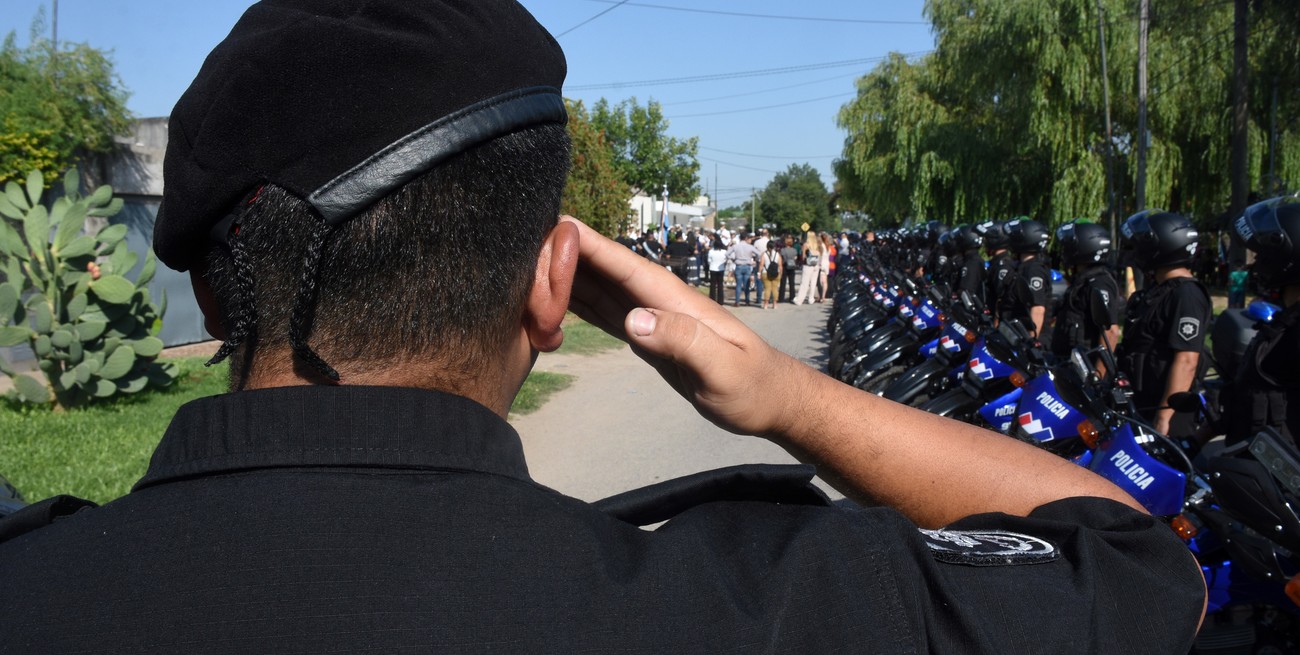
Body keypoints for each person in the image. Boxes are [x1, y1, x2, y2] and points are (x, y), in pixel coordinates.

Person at [0, 2, 1205, 652]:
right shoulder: (763, 602)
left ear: (211, 297)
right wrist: (788, 398)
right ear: (551, 285)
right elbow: (1136, 561)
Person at [1115, 210, 1213, 437]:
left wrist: (1164, 416)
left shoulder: (1187, 294)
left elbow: (1187, 359)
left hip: (1165, 412)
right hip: (1143, 402)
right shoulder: (1159, 289)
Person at [1226, 196, 1300, 448]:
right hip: (1252, 464)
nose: (1255, 263)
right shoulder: (1285, 319)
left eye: (1262, 255)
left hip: (1282, 478)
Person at [1050, 221, 1123, 363]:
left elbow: (1111, 332)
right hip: (1067, 364)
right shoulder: (1082, 281)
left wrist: (1099, 376)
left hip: (1085, 369)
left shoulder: (1100, 282)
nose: (1065, 252)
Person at [997, 219, 1053, 337]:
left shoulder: (1034, 270)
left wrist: (1030, 342)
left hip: (1025, 339)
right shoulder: (1021, 267)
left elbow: (1037, 309)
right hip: (1013, 334)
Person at [727, 232, 760, 307]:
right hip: (747, 266)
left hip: (738, 265)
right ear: (746, 238)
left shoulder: (736, 246)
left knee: (738, 285)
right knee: (746, 285)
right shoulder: (750, 247)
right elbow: (759, 253)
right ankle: (747, 301)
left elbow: (727, 254)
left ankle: (737, 302)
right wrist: (755, 261)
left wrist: (733, 259)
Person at [792, 231, 822, 305]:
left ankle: (799, 300)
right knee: (813, 282)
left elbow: (803, 256)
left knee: (804, 283)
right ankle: (811, 299)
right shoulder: (817, 244)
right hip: (816, 264)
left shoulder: (806, 245)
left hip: (808, 265)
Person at [760, 238, 783, 310]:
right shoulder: (777, 254)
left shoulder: (764, 254)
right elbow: (780, 265)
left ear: (767, 246)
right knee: (775, 289)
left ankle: (766, 304)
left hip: (765, 272)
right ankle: (775, 304)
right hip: (776, 273)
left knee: (767, 288)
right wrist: (781, 274)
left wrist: (759, 273)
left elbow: (761, 264)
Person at [706, 236, 728, 305]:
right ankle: (720, 301)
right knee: (720, 285)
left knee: (712, 285)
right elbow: (725, 260)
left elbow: (709, 260)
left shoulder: (711, 251)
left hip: (713, 268)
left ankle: (712, 299)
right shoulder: (724, 252)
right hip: (721, 269)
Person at [779, 234, 799, 302]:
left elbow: (781, 259)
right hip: (792, 266)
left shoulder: (783, 250)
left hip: (785, 266)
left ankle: (781, 298)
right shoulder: (794, 250)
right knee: (791, 283)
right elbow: (795, 258)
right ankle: (792, 297)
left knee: (783, 283)